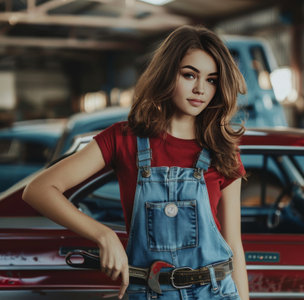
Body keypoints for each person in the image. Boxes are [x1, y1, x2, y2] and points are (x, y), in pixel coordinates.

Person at [23, 25, 249, 300]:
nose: (200, 89)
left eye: (212, 80)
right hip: (149, 292)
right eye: (189, 75)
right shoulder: (123, 139)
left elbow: (233, 244)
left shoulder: (222, 149)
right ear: (167, 74)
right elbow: (38, 189)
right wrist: (103, 235)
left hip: (216, 292)